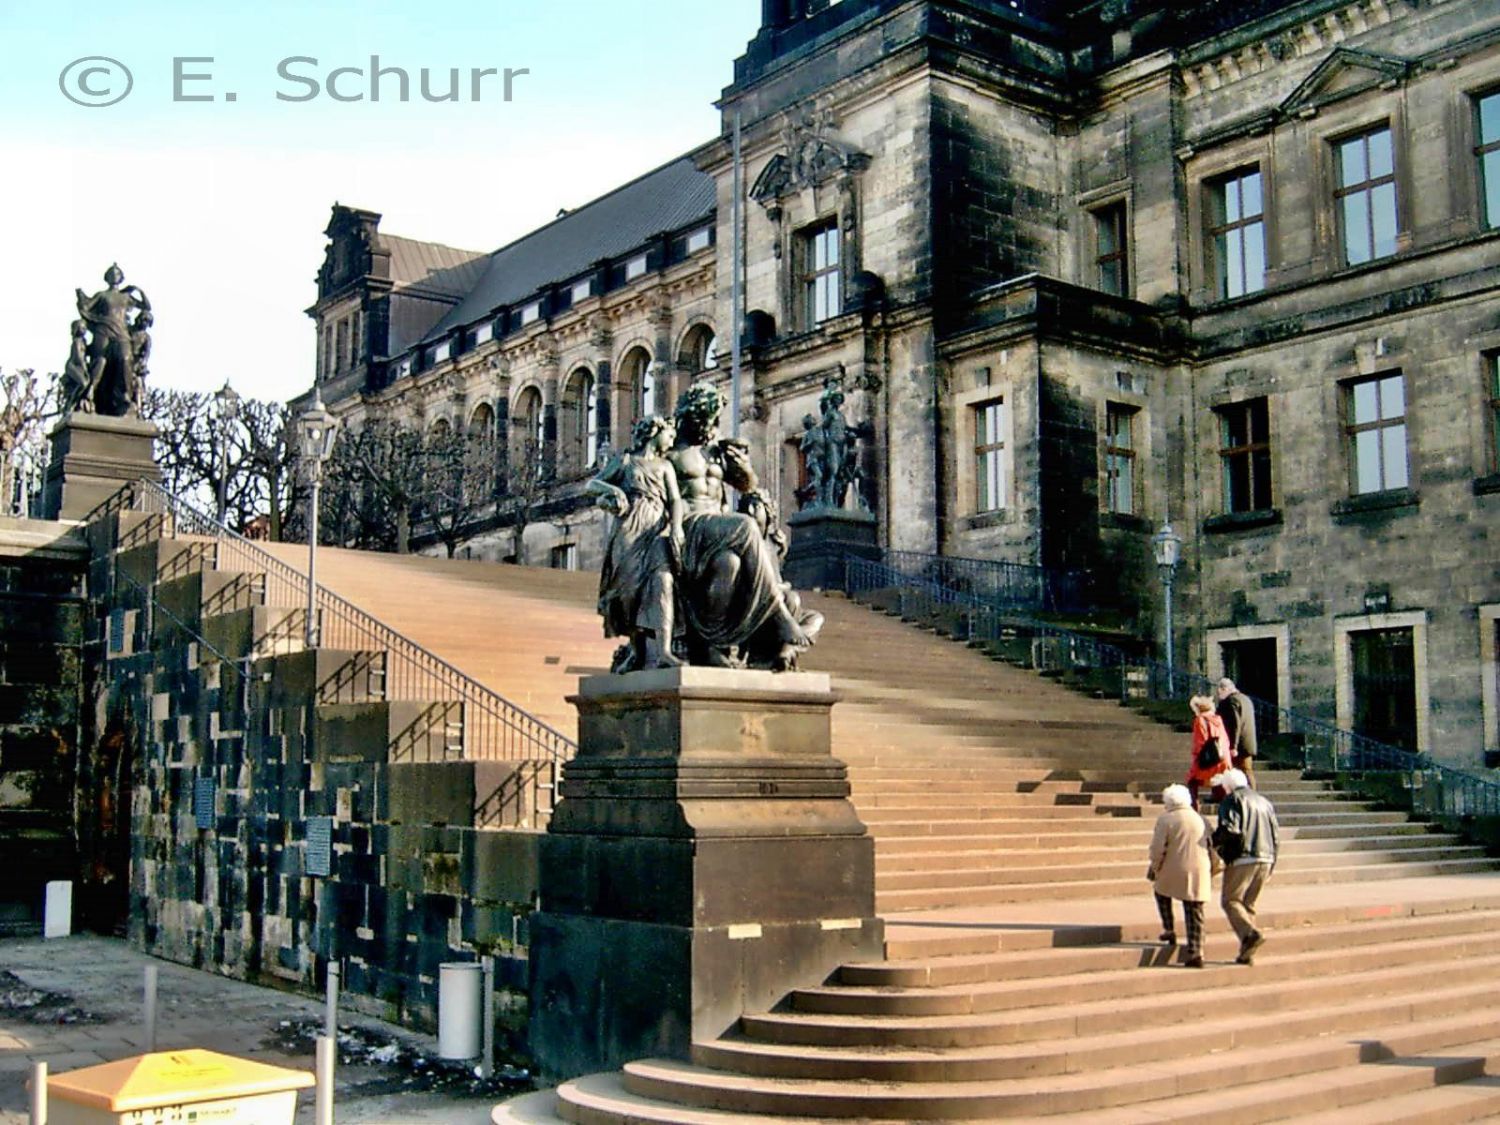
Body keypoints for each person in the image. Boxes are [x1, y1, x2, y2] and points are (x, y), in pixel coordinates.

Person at [667, 381, 822, 670]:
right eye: (703, 419)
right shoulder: (670, 453)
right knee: (747, 525)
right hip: (690, 527)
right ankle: (779, 614)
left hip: (719, 534)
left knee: (729, 564)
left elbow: (747, 485)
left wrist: (742, 467)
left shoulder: (715, 451)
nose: (708, 426)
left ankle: (713, 647)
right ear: (688, 416)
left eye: (712, 420)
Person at [588, 415, 685, 673]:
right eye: (670, 435)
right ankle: (636, 650)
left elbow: (675, 500)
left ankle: (664, 651)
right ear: (655, 432)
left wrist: (676, 527)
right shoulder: (626, 461)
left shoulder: (666, 466)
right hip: (629, 528)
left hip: (657, 529)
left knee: (662, 582)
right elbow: (592, 484)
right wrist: (616, 491)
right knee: (629, 591)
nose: (672, 440)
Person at [1214, 768, 1279, 965]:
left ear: (1228, 786)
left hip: (1243, 857)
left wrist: (1215, 843)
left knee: (1231, 900)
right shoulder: (1264, 802)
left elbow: (1231, 830)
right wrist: (1273, 861)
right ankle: (1247, 952)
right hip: (1266, 856)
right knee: (1249, 905)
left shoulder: (1232, 800)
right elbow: (1276, 835)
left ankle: (1250, 934)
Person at [1147, 783, 1216, 968]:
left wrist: (1155, 866)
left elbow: (1157, 848)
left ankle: (1169, 928)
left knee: (1161, 893)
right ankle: (1196, 951)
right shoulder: (1200, 818)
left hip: (1173, 868)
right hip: (1199, 867)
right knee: (1195, 910)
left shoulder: (1166, 819)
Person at [1186, 694, 1231, 810]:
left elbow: (1200, 741)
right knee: (1221, 782)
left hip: (1210, 757)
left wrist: (1197, 757)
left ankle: (1194, 808)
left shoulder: (1200, 720)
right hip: (1223, 757)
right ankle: (1224, 806)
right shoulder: (1218, 719)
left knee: (1192, 780)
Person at [1216, 677, 1258, 788]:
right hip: (1247, 742)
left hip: (1238, 744)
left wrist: (1233, 746)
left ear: (1225, 689)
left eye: (1220, 691)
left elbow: (1235, 724)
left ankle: (1250, 796)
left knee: (1243, 771)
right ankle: (1251, 795)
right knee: (1247, 771)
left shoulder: (1231, 701)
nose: (1219, 695)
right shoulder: (1245, 699)